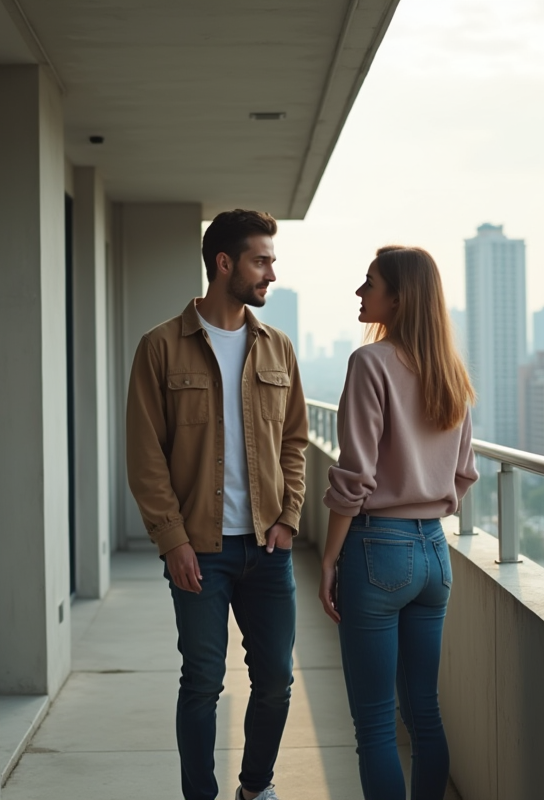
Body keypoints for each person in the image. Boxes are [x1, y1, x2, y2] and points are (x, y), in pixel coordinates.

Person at [126, 209, 308, 800]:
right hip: (199, 551)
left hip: (268, 548)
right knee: (203, 683)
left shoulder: (277, 348)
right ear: (224, 264)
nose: (271, 273)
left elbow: (294, 442)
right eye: (261, 261)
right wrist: (172, 539)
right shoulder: (159, 347)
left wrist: (288, 517)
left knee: (276, 681)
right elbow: (146, 456)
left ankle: (255, 788)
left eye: (272, 261)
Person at [318, 245, 478, 800]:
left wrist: (330, 558)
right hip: (434, 552)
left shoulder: (371, 362)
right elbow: (465, 474)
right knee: (425, 714)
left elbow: (354, 477)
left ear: (399, 297)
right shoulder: (451, 373)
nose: (360, 292)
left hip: (377, 552)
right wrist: (426, 509)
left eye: (370, 282)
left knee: (375, 724)